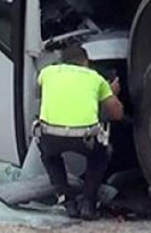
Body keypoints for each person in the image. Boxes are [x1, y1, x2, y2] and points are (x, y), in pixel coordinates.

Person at [37, 45, 124, 220]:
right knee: (99, 155)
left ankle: (67, 201)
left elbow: (41, 93)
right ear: (86, 62)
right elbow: (117, 114)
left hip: (51, 134)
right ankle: (88, 204)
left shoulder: (46, 73)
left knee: (49, 155)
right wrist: (111, 93)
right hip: (84, 138)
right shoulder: (95, 78)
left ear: (61, 61)